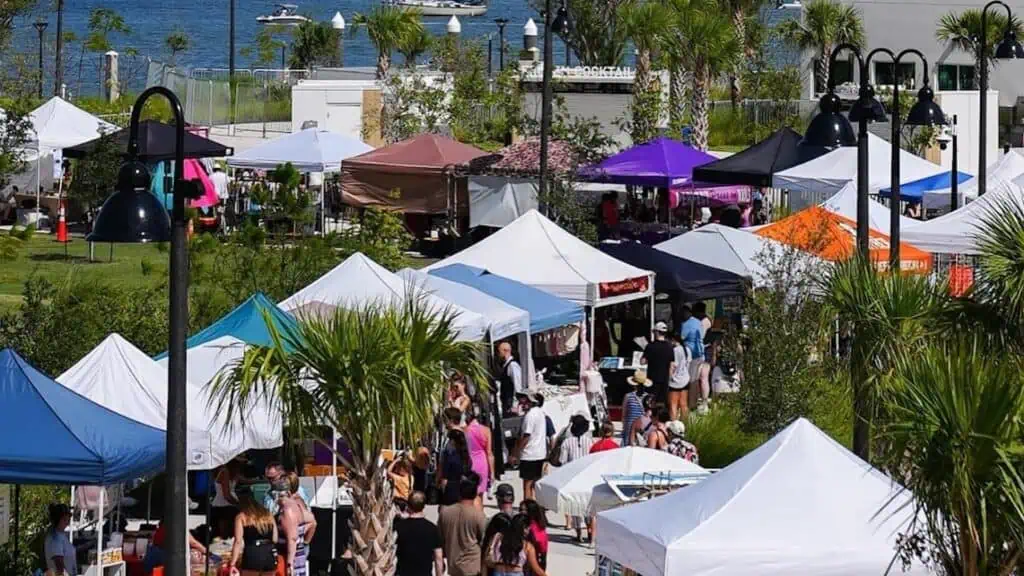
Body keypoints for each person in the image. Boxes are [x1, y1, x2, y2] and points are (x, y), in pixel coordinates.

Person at [438, 472, 487, 576]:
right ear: (474, 495)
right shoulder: (478, 515)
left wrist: (440, 559)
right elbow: (484, 540)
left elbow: (440, 540)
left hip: (453, 565)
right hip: (472, 566)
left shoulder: (444, 512)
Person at [558, 413, 593, 542]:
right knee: (588, 505)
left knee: (574, 505)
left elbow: (562, 461)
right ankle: (590, 530)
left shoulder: (567, 442)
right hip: (586, 477)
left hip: (571, 477)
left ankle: (578, 534)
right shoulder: (589, 442)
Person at [229, 487, 278, 576]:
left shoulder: (241, 517)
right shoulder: (268, 514)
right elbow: (275, 539)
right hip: (269, 553)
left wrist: (232, 563)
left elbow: (238, 542)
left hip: (252, 553)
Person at [394, 491, 444, 576]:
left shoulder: (398, 527)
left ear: (408, 506)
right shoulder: (432, 529)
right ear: (424, 506)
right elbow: (438, 557)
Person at [277, 473, 317, 576]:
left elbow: (292, 538)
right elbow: (310, 521)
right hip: (295, 552)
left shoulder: (291, 506)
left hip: (290, 555)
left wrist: (304, 541)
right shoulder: (295, 503)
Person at [511, 391, 547, 501]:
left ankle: (527, 508)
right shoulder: (540, 413)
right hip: (540, 454)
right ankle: (538, 507)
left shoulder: (530, 416)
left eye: (522, 398)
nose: (520, 401)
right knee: (536, 484)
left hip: (529, 454)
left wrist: (515, 453)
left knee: (527, 485)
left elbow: (526, 436)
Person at [679, 305, 707, 414]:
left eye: (683, 313)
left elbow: (682, 337)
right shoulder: (698, 321)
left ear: (687, 312)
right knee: (695, 380)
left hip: (692, 355)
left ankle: (690, 404)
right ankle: (694, 402)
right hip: (700, 354)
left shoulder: (686, 324)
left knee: (690, 380)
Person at [465, 411, 494, 507]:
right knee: (480, 494)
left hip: (470, 463)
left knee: (470, 494)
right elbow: (489, 453)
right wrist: (492, 472)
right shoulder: (486, 430)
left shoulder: (465, 430)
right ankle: (480, 517)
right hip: (483, 463)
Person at [641, 321, 675, 404]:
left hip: (652, 379)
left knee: (650, 402)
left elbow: (642, 362)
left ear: (656, 332)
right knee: (662, 403)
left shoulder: (650, 346)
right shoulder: (670, 347)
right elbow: (672, 364)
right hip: (664, 379)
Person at [483, 483, 516, 562]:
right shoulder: (520, 518)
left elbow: (486, 543)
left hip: (499, 564)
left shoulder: (493, 520)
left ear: (498, 498)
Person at [439, 428, 472, 506]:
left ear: (452, 441)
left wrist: (442, 490)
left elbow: (445, 477)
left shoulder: (449, 455)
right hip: (463, 487)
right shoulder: (466, 454)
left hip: (451, 488)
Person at [213, 459, 243, 538]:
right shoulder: (224, 472)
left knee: (230, 532)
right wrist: (238, 504)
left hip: (229, 505)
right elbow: (226, 495)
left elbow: (245, 480)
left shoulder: (233, 473)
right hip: (223, 505)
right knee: (225, 533)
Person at [44, 504, 77, 576]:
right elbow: (59, 564)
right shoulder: (55, 538)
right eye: (65, 519)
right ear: (57, 519)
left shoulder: (61, 535)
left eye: (68, 519)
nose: (67, 522)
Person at [621, 370, 651, 445]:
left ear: (634, 384)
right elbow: (649, 414)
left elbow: (624, 414)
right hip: (643, 427)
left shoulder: (628, 396)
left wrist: (624, 427)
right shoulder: (648, 397)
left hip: (630, 427)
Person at [668, 332, 692, 421]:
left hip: (675, 381)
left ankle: (673, 425)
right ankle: (684, 425)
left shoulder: (675, 350)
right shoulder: (687, 349)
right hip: (685, 379)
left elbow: (673, 366)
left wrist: (669, 378)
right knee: (684, 404)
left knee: (673, 405)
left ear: (673, 340)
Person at [519, 500, 548, 570]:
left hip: (533, 561)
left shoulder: (536, 528)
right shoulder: (522, 523)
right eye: (520, 509)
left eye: (524, 510)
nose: (521, 512)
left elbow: (541, 547)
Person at [496, 342, 523, 416]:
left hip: (511, 406)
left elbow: (518, 386)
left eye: (499, 352)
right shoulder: (506, 366)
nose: (498, 355)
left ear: (505, 351)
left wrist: (515, 405)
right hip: (507, 405)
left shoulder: (512, 365)